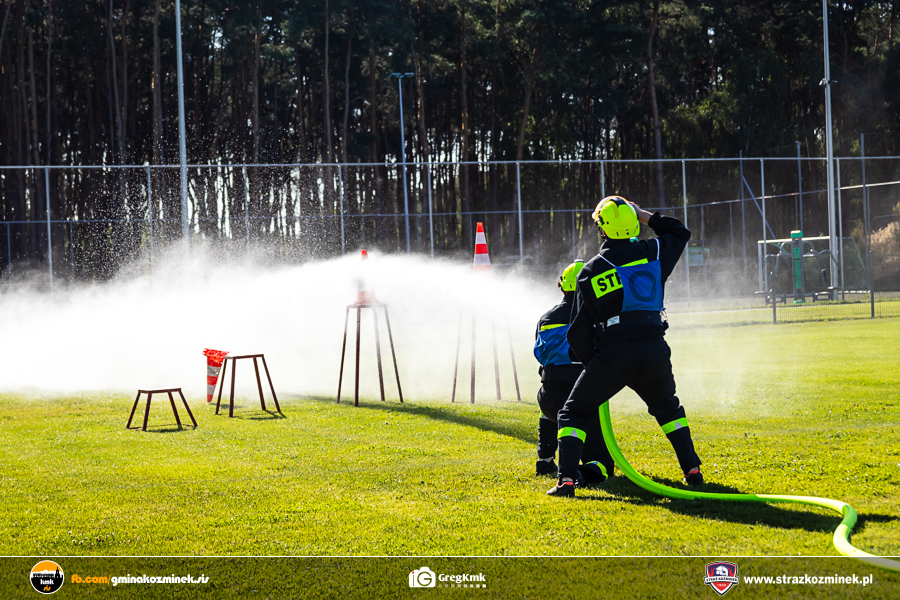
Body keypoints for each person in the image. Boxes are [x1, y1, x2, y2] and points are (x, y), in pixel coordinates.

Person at [547, 195, 703, 498]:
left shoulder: (591, 270)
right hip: (654, 348)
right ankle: (692, 470)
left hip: (613, 353)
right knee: (668, 409)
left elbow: (578, 331)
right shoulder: (654, 252)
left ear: (602, 229)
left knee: (573, 413)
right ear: (634, 224)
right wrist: (641, 212)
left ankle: (566, 480)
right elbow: (679, 231)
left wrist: (595, 363)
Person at [532, 260, 609, 484]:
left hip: (549, 396)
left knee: (548, 410)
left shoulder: (545, 318)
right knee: (602, 463)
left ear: (563, 287)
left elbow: (540, 354)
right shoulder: (593, 315)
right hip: (581, 395)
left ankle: (544, 459)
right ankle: (578, 474)